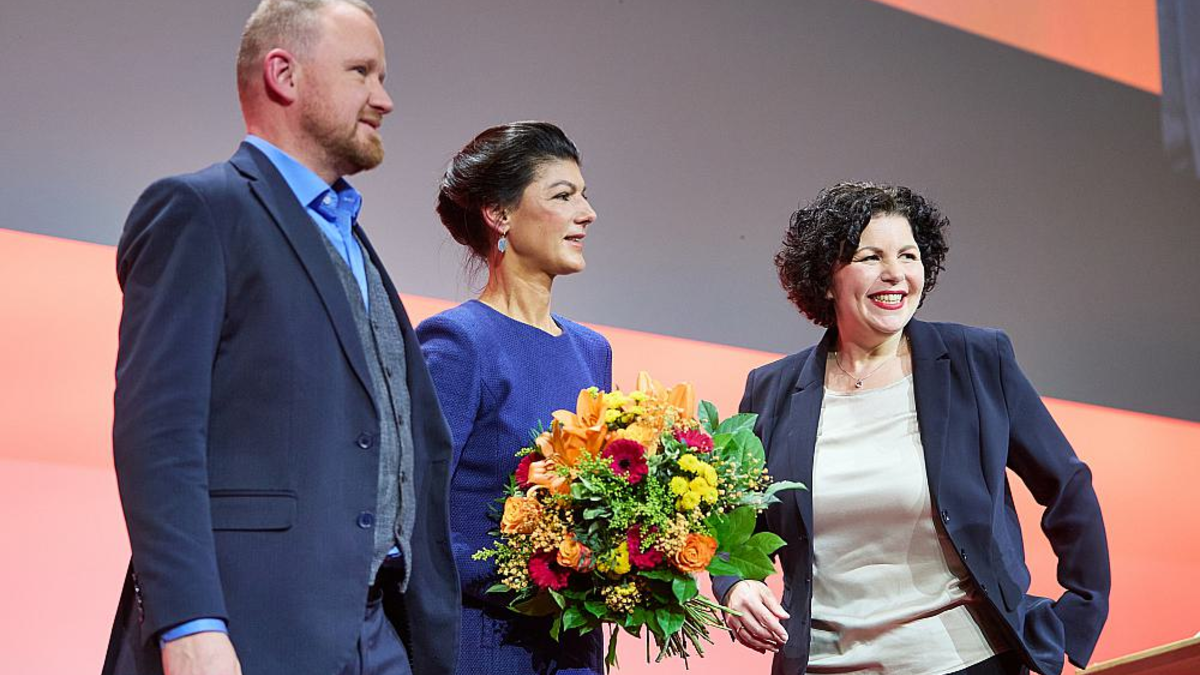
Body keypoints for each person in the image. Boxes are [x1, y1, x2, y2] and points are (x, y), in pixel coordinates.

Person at [101, 2, 459, 674]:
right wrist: (189, 620)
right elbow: (159, 431)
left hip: (379, 633)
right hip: (251, 627)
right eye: (362, 72)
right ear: (283, 74)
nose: (384, 99)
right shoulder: (201, 210)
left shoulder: (350, 239)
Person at [713, 183, 1110, 675]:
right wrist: (734, 583)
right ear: (826, 278)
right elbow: (730, 525)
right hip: (820, 666)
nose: (896, 274)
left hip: (966, 662)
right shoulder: (771, 390)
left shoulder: (977, 360)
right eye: (869, 257)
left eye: (908, 255)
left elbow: (1066, 484)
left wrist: (1079, 613)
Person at [416, 121, 610, 674]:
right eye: (563, 195)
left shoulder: (592, 351)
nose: (587, 212)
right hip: (485, 644)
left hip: (573, 650)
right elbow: (416, 518)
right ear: (499, 215)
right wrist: (541, 576)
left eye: (585, 195)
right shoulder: (457, 343)